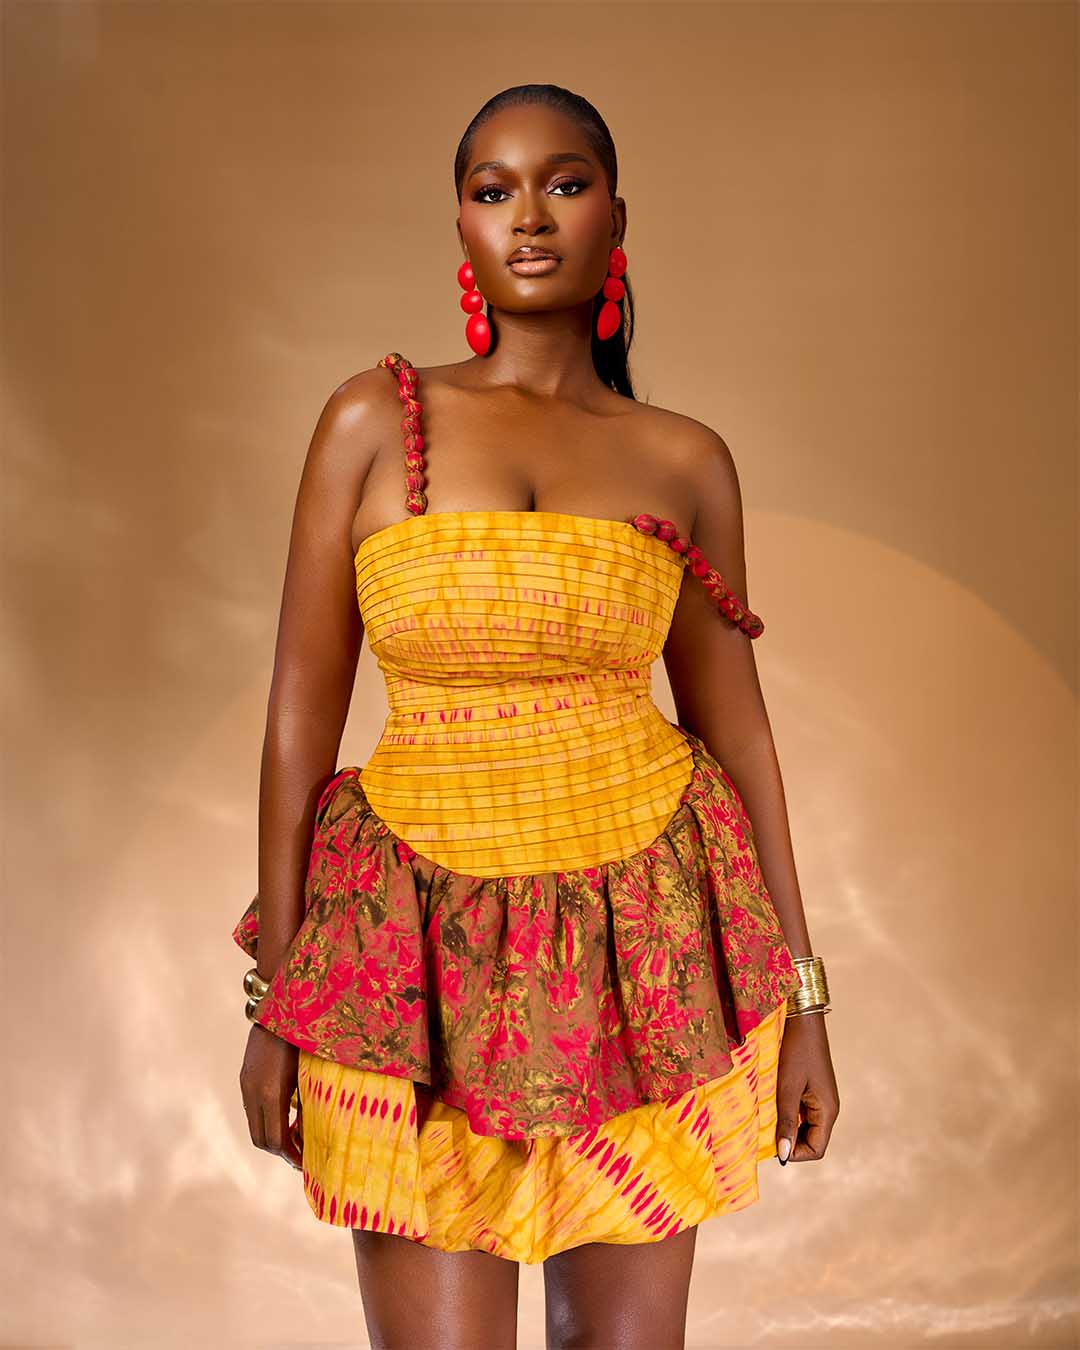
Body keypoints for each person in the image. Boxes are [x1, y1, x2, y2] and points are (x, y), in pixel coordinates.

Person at [234, 83, 839, 1350]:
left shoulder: (685, 458)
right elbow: (300, 716)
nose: (528, 217)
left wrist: (808, 1001)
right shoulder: (370, 422)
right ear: (460, 222)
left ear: (617, 216)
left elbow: (739, 732)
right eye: (491, 189)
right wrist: (281, 1001)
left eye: (563, 184)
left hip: (645, 954)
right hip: (408, 959)